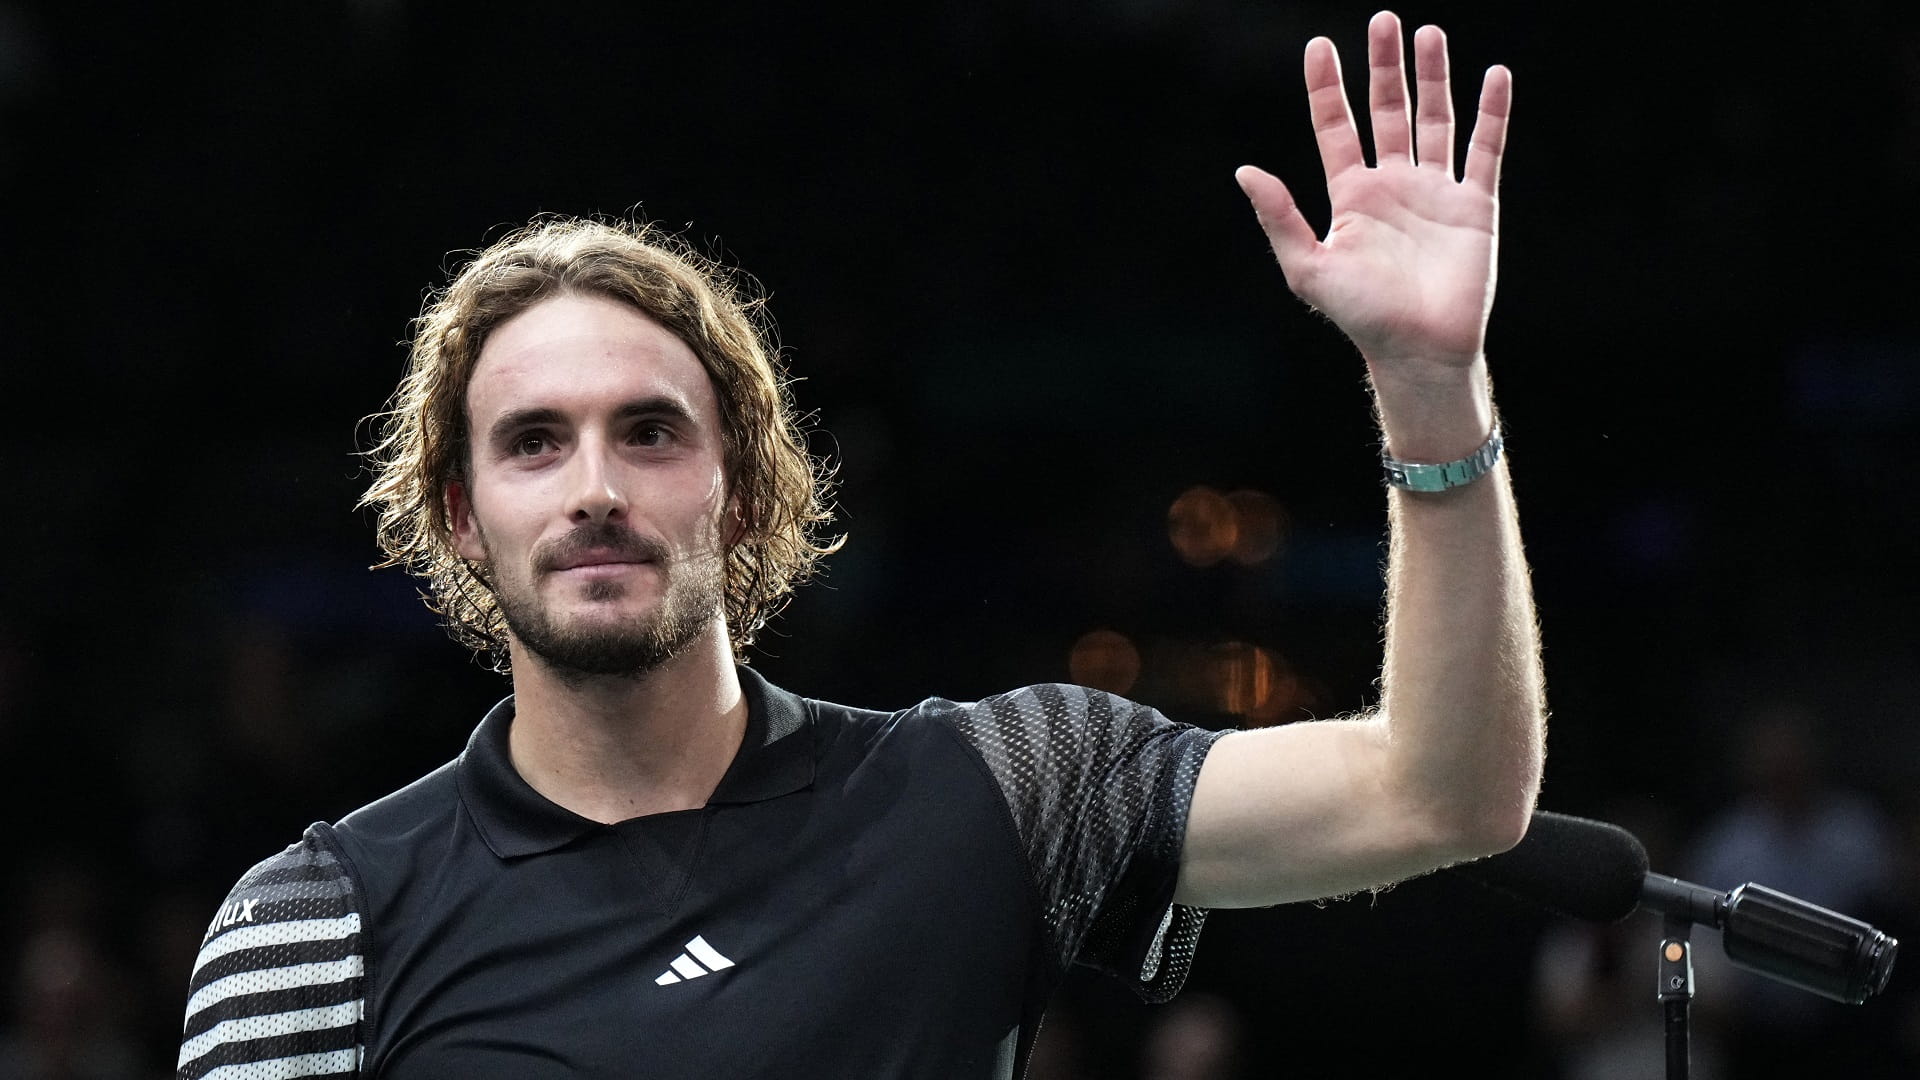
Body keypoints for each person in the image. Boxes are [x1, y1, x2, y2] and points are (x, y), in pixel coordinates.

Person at [174, 11, 1546, 1079]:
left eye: (649, 432)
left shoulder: (1003, 790)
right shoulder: (320, 924)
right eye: (535, 442)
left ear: (744, 493)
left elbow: (1442, 794)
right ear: (461, 521)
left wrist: (1430, 385)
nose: (594, 488)